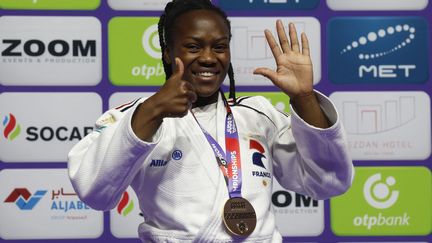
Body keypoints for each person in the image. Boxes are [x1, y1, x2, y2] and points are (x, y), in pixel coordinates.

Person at [68, 0, 354, 242]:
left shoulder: (256, 114)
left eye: (219, 47)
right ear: (168, 53)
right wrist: (153, 109)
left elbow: (329, 181)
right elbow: (94, 192)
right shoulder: (134, 117)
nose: (208, 58)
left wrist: (304, 98)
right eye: (193, 46)